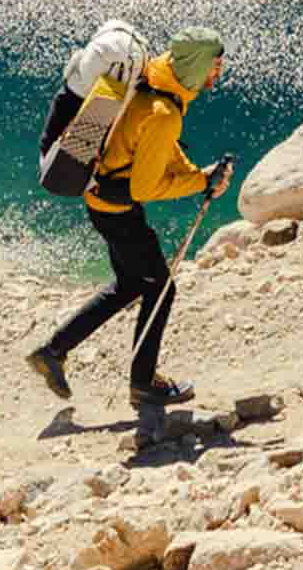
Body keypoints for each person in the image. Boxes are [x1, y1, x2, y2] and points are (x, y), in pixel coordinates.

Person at [25, 27, 234, 410]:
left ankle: (53, 353)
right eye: (214, 66)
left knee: (131, 284)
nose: (216, 75)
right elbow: (145, 187)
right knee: (160, 288)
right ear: (197, 65)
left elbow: (158, 147)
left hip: (101, 199)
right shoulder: (165, 113)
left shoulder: (156, 76)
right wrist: (200, 180)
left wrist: (195, 172)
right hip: (119, 211)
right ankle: (143, 385)